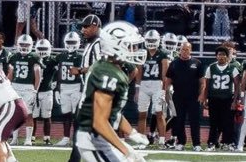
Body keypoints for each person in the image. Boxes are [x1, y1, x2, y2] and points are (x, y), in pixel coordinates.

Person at [74, 21, 149, 162]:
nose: (134, 50)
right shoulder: (107, 73)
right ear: (115, 46)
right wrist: (125, 150)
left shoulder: (111, 68)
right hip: (94, 140)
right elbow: (99, 121)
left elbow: (112, 113)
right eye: (130, 46)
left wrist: (132, 132)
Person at [199, 46, 240, 151]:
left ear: (227, 57)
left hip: (227, 99)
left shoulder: (233, 68)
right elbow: (207, 84)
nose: (221, 57)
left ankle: (227, 142)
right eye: (219, 55)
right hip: (214, 98)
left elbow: (237, 86)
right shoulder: (211, 67)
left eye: (223, 55)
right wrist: (205, 97)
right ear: (216, 56)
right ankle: (212, 142)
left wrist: (235, 100)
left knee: (228, 122)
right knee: (213, 122)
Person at [164, 40, 202, 150]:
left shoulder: (197, 63)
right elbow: (168, 80)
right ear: (179, 50)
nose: (185, 51)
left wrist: (201, 95)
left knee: (194, 121)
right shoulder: (174, 63)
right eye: (183, 49)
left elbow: (202, 82)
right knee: (179, 120)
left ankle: (197, 144)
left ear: (190, 50)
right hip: (178, 96)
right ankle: (181, 142)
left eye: (187, 49)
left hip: (193, 96)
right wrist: (166, 92)